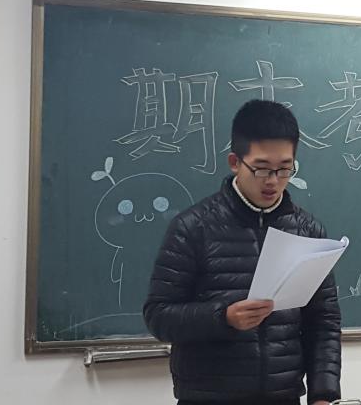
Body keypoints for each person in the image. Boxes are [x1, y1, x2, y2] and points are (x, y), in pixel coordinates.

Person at [144, 99, 341, 405]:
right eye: (261, 169)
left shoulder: (307, 230)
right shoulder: (193, 227)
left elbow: (323, 321)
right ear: (235, 162)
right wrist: (223, 317)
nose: (273, 181)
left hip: (283, 397)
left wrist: (323, 395)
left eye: (284, 169)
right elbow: (158, 316)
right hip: (208, 398)